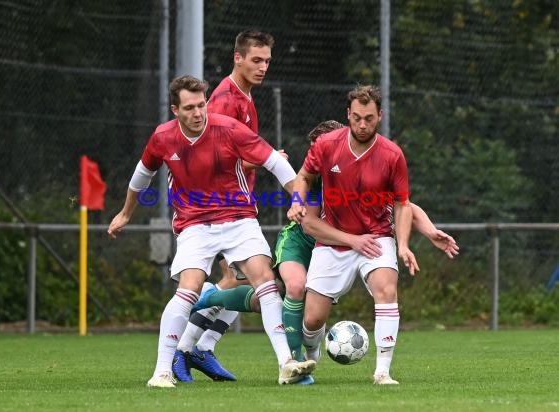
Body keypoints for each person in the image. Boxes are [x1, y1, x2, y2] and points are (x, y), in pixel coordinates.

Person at [192, 120, 459, 384]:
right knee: (292, 288)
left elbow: (405, 204)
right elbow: (309, 225)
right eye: (316, 148)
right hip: (305, 241)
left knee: (275, 303)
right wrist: (350, 237)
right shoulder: (313, 178)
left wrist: (430, 231)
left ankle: (217, 297)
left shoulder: (364, 166)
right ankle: (293, 363)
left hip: (336, 244)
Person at [107, 75, 315, 388]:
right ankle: (162, 372)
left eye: (201, 105)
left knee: (266, 281)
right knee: (189, 288)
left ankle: (286, 363)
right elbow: (141, 176)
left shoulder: (228, 129)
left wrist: (297, 200)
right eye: (189, 107)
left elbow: (275, 162)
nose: (198, 113)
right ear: (175, 109)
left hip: (238, 218)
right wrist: (125, 213)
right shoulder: (163, 137)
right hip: (194, 224)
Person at [156, 29, 277, 383]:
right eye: (256, 60)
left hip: (237, 207)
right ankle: (186, 348)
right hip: (215, 211)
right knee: (234, 282)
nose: (263, 67)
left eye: (267, 60)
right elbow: (211, 161)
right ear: (237, 58)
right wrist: (270, 159)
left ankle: (199, 347)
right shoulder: (224, 100)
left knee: (239, 281)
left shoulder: (244, 96)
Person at [288, 84, 417, 385]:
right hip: (333, 241)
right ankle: (311, 354)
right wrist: (296, 201)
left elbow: (403, 203)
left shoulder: (392, 154)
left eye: (369, 118)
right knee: (312, 319)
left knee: (387, 288)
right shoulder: (326, 144)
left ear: (380, 116)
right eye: (356, 117)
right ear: (348, 114)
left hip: (376, 238)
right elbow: (304, 176)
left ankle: (382, 371)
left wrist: (404, 244)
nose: (362, 124)